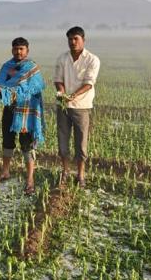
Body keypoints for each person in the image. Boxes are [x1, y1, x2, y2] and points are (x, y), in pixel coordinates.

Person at [0, 37, 45, 195]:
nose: (18, 52)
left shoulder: (32, 68)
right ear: (12, 49)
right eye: (15, 49)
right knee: (7, 141)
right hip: (10, 109)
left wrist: (12, 92)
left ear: (27, 50)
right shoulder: (7, 67)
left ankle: (30, 179)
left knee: (26, 144)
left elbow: (36, 87)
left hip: (26, 111)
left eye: (21, 49)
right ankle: (5, 172)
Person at [53, 26, 100, 188]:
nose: (72, 42)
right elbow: (58, 79)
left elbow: (89, 83)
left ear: (83, 40)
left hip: (82, 106)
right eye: (70, 39)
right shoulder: (62, 58)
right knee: (63, 140)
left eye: (76, 39)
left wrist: (73, 96)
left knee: (81, 143)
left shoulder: (92, 59)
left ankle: (80, 174)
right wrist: (62, 91)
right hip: (63, 105)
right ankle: (65, 172)